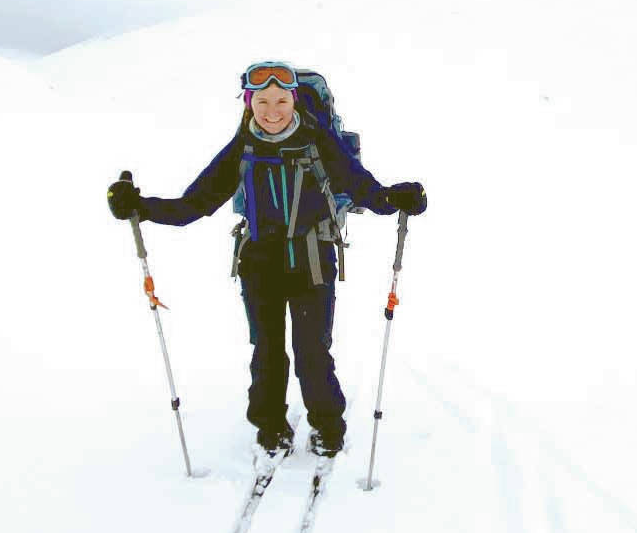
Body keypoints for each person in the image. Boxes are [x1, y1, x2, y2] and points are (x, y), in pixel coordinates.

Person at [107, 61, 427, 460]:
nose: (272, 111)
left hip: (312, 259)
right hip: (259, 263)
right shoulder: (243, 147)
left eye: (280, 100)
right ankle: (270, 427)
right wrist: (139, 206)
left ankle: (328, 426)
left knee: (312, 350)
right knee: (267, 350)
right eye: (262, 101)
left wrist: (395, 198)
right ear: (248, 103)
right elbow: (195, 204)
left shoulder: (318, 141)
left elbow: (360, 187)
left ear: (293, 99)